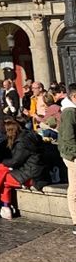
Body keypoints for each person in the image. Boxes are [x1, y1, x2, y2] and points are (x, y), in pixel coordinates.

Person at [0, 118, 48, 219]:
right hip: (35, 171)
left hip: (32, 176)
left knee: (4, 180)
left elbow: (16, 161)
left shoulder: (22, 142)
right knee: (3, 169)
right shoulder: (27, 136)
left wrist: (3, 161)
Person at [57, 82, 76, 235]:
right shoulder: (70, 112)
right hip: (72, 155)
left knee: (74, 188)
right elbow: (69, 137)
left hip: (69, 153)